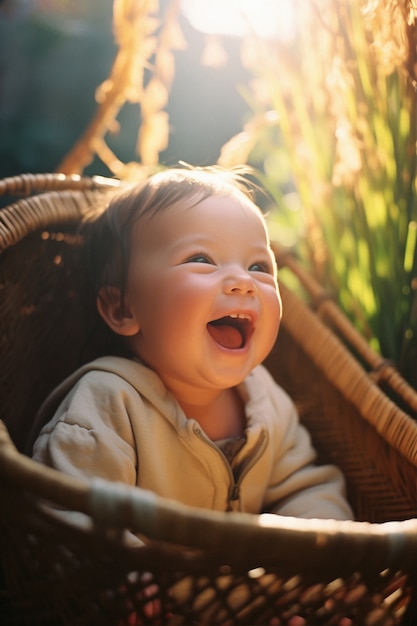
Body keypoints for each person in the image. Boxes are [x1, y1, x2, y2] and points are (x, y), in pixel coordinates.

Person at [31, 165, 352, 521]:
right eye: (201, 260)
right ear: (123, 307)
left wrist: (319, 548)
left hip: (249, 577)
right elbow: (69, 517)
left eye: (259, 266)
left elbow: (306, 486)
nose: (243, 282)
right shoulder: (108, 406)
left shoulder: (265, 401)